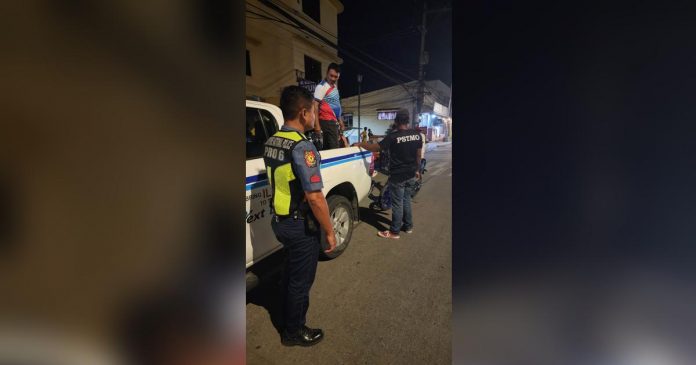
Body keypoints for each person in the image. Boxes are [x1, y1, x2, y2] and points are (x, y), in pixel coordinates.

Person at [263, 85, 337, 346]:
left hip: (280, 220)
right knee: (300, 281)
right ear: (304, 113)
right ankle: (293, 332)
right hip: (299, 225)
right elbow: (315, 198)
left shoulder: (272, 140)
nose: (316, 117)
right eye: (315, 111)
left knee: (291, 272)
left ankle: (285, 316)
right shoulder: (302, 148)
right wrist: (329, 231)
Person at [353, 109, 422, 239]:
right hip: (411, 173)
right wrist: (417, 170)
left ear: (396, 122)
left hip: (398, 175)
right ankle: (408, 227)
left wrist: (361, 144)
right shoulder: (416, 135)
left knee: (397, 203)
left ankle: (394, 232)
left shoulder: (393, 136)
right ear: (407, 121)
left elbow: (376, 148)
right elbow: (418, 155)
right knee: (406, 200)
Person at [312, 63, 344, 150]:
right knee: (334, 150)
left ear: (338, 76)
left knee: (329, 149)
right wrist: (317, 125)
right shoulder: (321, 87)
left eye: (335, 77)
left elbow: (336, 105)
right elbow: (315, 106)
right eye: (331, 76)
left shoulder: (334, 86)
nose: (333, 79)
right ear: (326, 73)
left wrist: (340, 120)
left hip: (333, 121)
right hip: (327, 122)